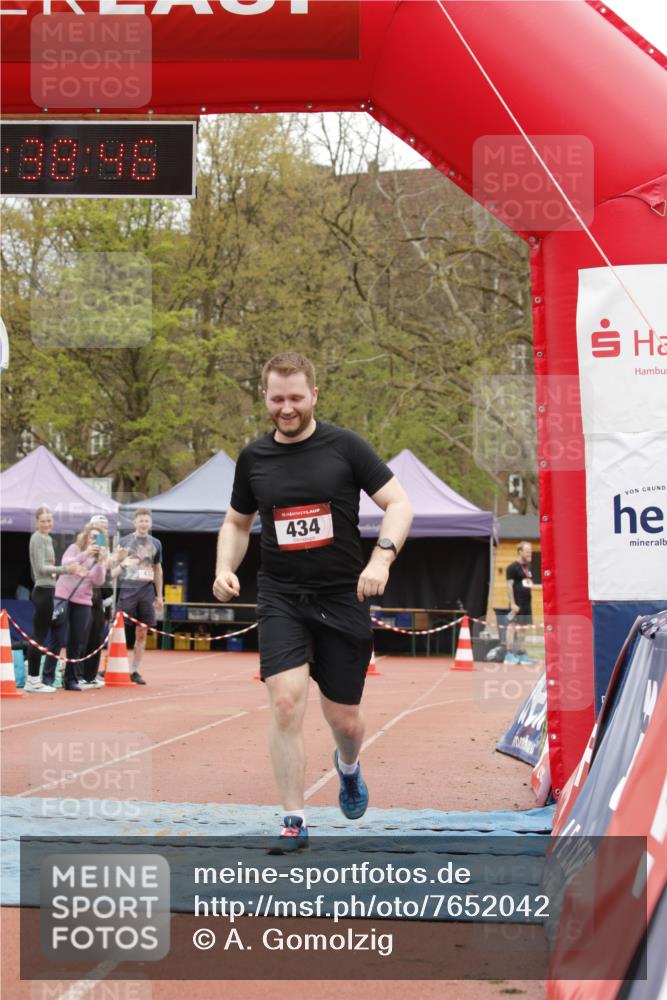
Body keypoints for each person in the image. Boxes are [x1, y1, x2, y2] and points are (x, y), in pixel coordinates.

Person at [213, 352, 413, 852]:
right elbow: (237, 524)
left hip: (342, 596)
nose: (286, 408)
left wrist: (381, 559)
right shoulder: (254, 459)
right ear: (265, 396)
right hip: (281, 595)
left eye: (296, 398)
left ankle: (348, 766)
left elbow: (399, 503)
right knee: (285, 701)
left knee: (343, 720)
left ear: (314, 395)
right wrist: (224, 568)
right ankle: (293, 818)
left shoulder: (345, 447)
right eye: (277, 398)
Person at [43, 522, 108, 691]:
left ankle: (71, 679)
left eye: (98, 538)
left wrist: (100, 562)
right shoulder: (74, 548)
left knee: (76, 641)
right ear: (86, 536)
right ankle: (47, 678)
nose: (94, 541)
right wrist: (85, 553)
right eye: (92, 536)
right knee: (57, 639)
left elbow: (99, 581)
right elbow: (65, 564)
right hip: (64, 596)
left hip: (83, 601)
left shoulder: (99, 557)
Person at [25, 506, 83, 693]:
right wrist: (66, 570)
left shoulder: (47, 538)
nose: (47, 524)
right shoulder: (37, 538)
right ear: (36, 522)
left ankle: (34, 679)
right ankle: (33, 680)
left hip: (49, 590)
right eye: (43, 521)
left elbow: (48, 567)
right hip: (42, 590)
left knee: (41, 636)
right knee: (39, 636)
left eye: (49, 521)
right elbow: (41, 568)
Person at [116, 508, 163, 685]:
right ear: (135, 522)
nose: (143, 524)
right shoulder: (125, 541)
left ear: (150, 523)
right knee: (118, 630)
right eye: (140, 521)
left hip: (146, 591)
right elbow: (115, 563)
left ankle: (134, 670)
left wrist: (160, 596)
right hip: (128, 589)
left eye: (146, 521)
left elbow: (158, 569)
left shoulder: (156, 544)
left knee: (142, 633)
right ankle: (112, 665)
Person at [80, 515, 127, 689]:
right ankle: (79, 674)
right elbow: (101, 566)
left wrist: (121, 564)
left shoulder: (105, 544)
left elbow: (106, 574)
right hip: (89, 594)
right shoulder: (91, 544)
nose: (104, 528)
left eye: (106, 526)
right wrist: (116, 560)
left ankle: (90, 674)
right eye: (100, 525)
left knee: (97, 637)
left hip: (102, 596)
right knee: (85, 636)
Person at [504, 541, 536, 665]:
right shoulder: (512, 567)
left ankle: (522, 654)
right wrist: (512, 603)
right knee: (511, 627)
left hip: (527, 603)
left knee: (523, 629)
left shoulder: (529, 567)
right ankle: (509, 654)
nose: (530, 553)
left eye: (530, 551)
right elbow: (509, 586)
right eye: (527, 551)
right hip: (516, 604)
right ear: (520, 552)